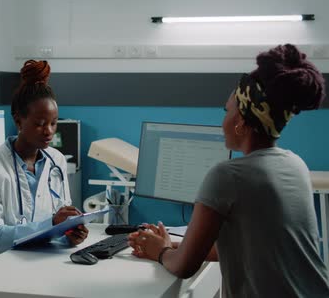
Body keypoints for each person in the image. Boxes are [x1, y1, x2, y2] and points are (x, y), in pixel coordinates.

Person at [129, 44, 329, 297]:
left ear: (241, 123)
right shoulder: (294, 164)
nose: (223, 120)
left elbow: (184, 267)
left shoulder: (228, 175)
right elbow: (250, 245)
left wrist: (160, 252)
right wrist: (173, 245)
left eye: (227, 111)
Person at [0, 59, 88, 271]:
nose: (48, 131)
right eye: (40, 124)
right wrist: (52, 224)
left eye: (53, 123)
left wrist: (70, 235)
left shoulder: (56, 161)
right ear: (18, 121)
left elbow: (60, 221)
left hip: (37, 264)